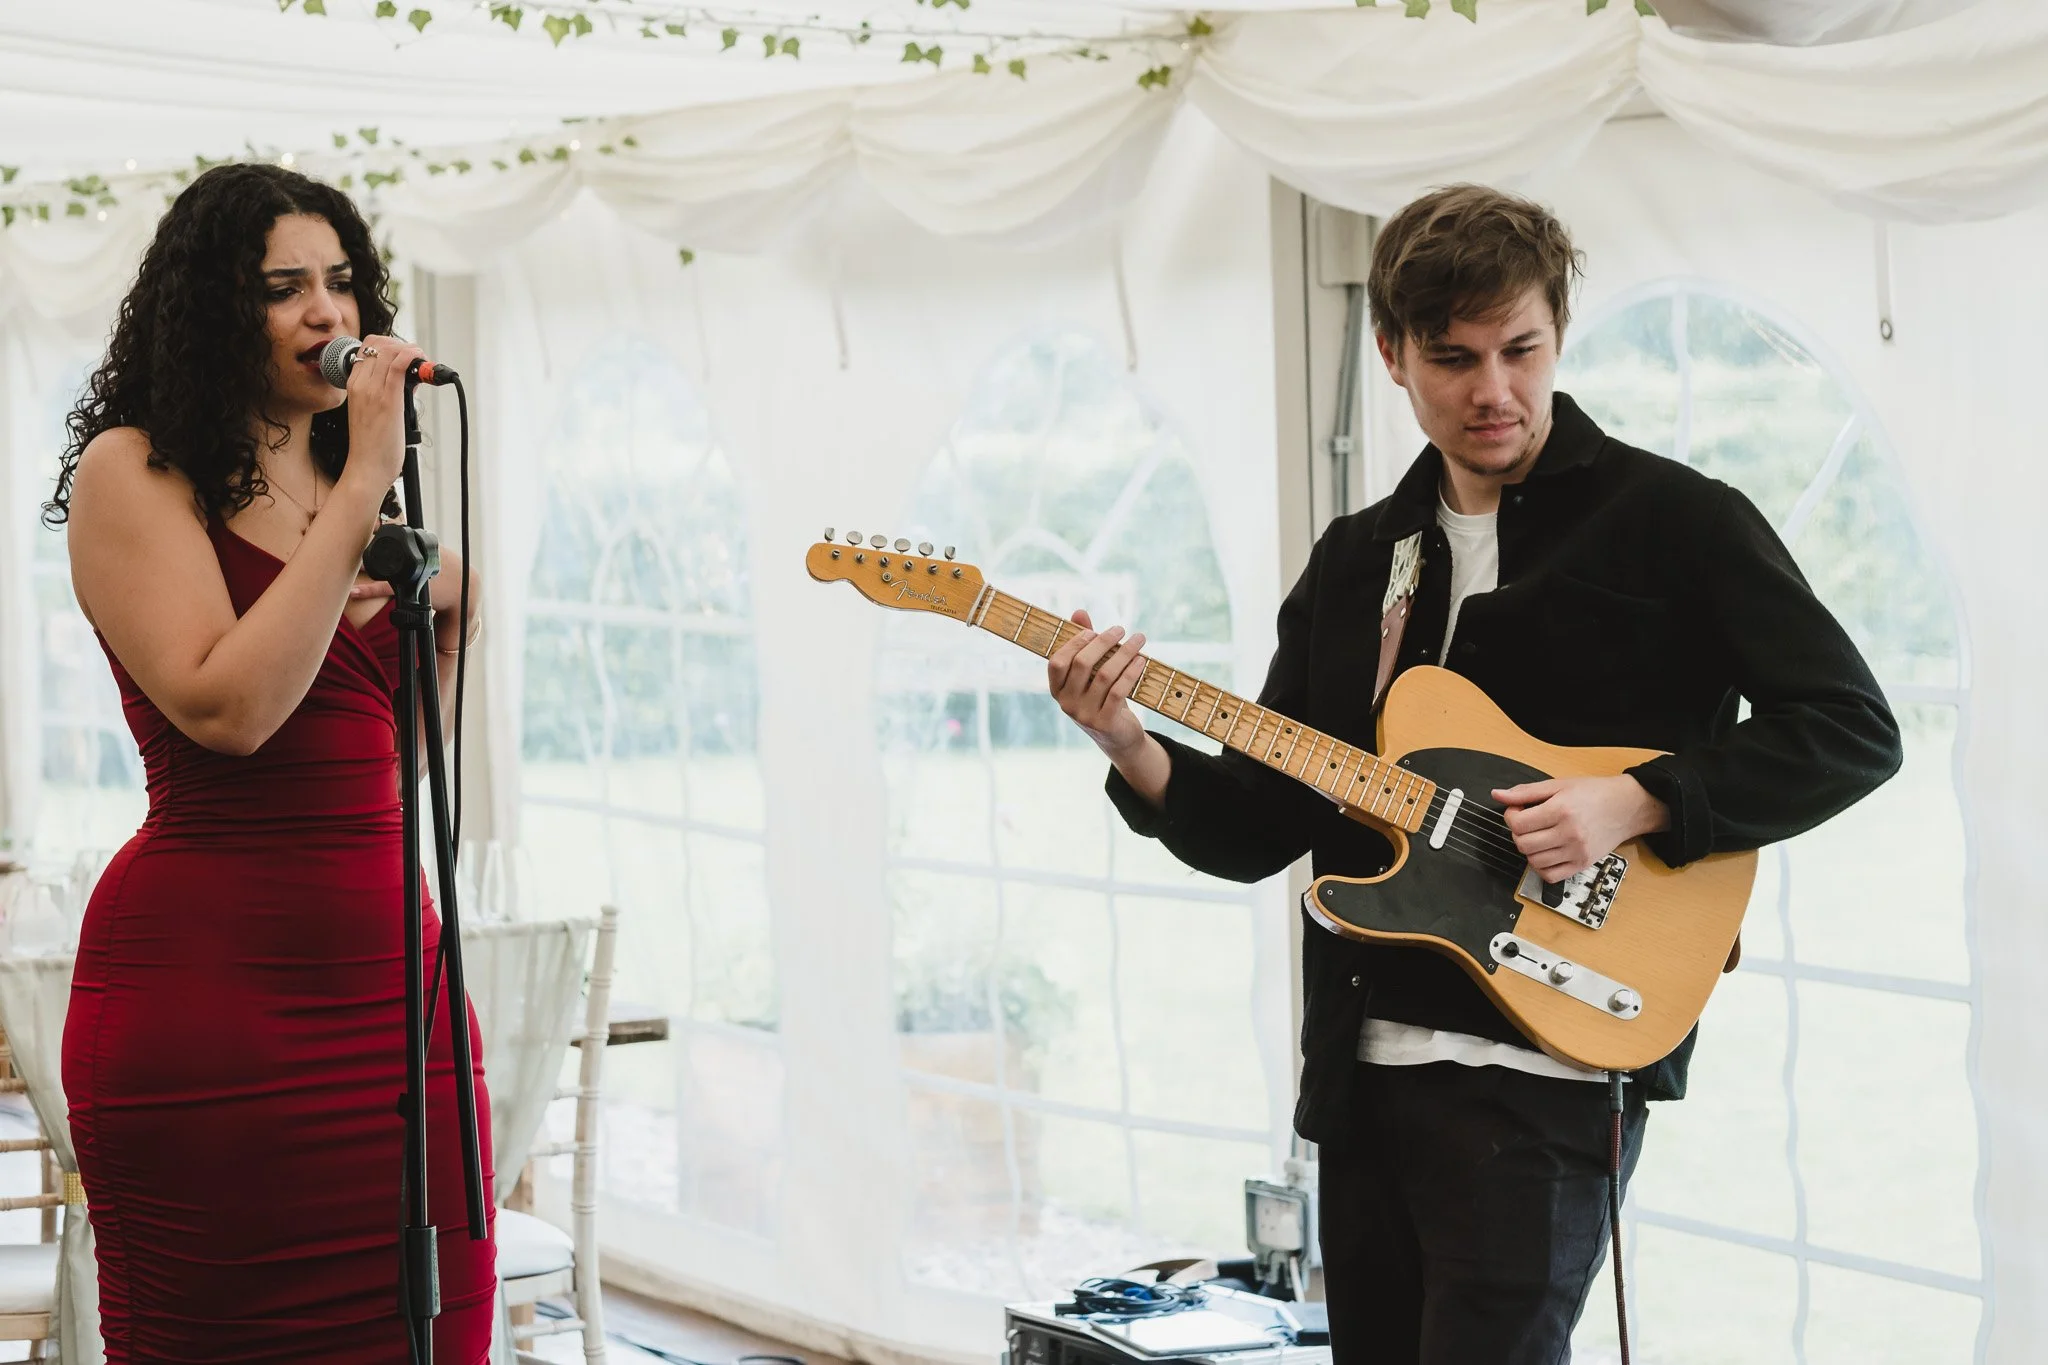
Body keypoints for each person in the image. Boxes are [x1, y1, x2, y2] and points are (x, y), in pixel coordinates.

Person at [1046, 185, 1902, 1363]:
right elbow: (1256, 825)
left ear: (1558, 332)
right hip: (1363, 1068)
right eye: (1451, 358)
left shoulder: (1677, 523)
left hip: (1551, 1066)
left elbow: (1850, 728)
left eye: (1519, 350)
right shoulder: (1357, 562)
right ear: (1391, 355)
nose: (1491, 389)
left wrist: (1637, 799)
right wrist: (1126, 742)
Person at [45, 162, 494, 1361]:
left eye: (340, 283)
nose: (326, 313)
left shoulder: (352, 498)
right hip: (215, 1010)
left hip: (397, 999)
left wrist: (448, 627)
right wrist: (362, 492)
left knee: (436, 1329)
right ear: (209, 310)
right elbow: (229, 713)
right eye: (282, 288)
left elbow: (380, 778)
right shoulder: (135, 472)